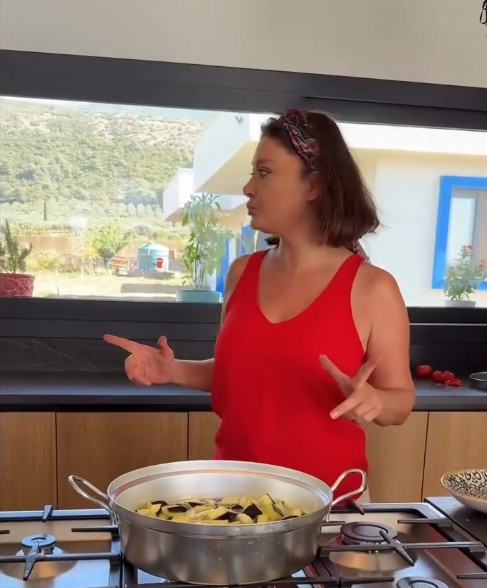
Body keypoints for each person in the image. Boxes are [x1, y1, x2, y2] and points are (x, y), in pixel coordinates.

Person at [105, 109, 415, 498]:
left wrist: (374, 402)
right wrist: (172, 370)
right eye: (253, 173)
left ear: (314, 184)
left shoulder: (373, 288)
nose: (249, 187)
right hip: (231, 502)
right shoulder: (241, 272)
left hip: (331, 508)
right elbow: (248, 373)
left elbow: (400, 400)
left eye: (264, 172)